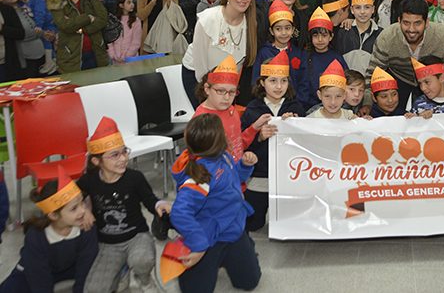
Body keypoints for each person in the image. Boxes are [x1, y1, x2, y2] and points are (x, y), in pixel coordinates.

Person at [170, 114, 261, 293]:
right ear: (217, 141)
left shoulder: (223, 156)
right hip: (209, 238)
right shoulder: (200, 176)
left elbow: (233, 180)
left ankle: (231, 256)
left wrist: (244, 166)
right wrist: (198, 244)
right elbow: (180, 213)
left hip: (233, 230)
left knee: (250, 282)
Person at [79, 117, 171, 292]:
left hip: (137, 236)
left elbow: (149, 199)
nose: (123, 159)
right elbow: (74, 197)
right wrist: (85, 209)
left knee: (142, 260)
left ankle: (144, 279)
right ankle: (123, 270)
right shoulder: (89, 181)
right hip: (107, 243)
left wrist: (159, 204)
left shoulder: (134, 178)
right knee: (94, 290)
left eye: (124, 152)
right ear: (96, 161)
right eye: (115, 155)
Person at [0, 171, 97, 293]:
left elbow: (85, 270)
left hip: (69, 269)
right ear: (53, 215)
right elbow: (39, 279)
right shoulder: (36, 237)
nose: (83, 211)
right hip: (32, 269)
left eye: (82, 203)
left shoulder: (87, 228)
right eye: (74, 208)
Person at [241, 51, 305, 230]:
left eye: (283, 80)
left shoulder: (295, 107)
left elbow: (305, 144)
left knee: (290, 224)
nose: (279, 86)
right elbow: (242, 145)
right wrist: (260, 136)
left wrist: (295, 125)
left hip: (289, 177)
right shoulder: (252, 110)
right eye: (273, 81)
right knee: (253, 224)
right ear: (262, 82)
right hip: (260, 176)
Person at [366, 0, 444, 109]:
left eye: (417, 23)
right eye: (406, 23)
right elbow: (372, 74)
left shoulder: (442, 36)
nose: (411, 29)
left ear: (427, 22)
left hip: (431, 84)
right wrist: (367, 104)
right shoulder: (386, 38)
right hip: (399, 81)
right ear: (399, 21)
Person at [181, 0, 258, 108]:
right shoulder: (209, 19)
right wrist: (210, 92)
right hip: (197, 76)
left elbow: (238, 65)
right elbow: (201, 65)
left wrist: (230, 92)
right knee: (209, 122)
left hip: (225, 81)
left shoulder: (251, 24)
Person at [192, 55, 269, 161]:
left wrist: (254, 128)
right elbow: (199, 160)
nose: (227, 98)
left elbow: (238, 145)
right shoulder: (202, 120)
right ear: (207, 89)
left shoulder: (232, 110)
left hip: (234, 172)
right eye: (220, 91)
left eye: (232, 92)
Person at [46, 0, 109, 73]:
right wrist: (88, 17)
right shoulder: (55, 2)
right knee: (76, 87)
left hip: (96, 51)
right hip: (70, 54)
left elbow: (103, 19)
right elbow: (65, 26)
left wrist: (81, 29)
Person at [251, 0, 306, 93]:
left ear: (293, 30)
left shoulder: (298, 53)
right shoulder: (264, 53)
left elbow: (304, 83)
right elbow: (256, 82)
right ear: (272, 31)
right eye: (278, 29)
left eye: (287, 28)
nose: (283, 33)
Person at [298, 7, 348, 110]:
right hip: (309, 108)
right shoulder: (305, 57)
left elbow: (346, 83)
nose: (320, 40)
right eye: (316, 36)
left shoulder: (337, 58)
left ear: (331, 37)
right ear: (310, 37)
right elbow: (302, 85)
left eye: (324, 35)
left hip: (334, 106)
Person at [333, 0, 381, 76]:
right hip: (347, 84)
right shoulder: (343, 31)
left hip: (370, 86)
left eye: (367, 7)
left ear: (373, 9)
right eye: (358, 7)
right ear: (352, 10)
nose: (362, 12)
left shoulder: (381, 34)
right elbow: (337, 59)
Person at [0, 0, 45, 78]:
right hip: (23, 60)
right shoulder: (5, 13)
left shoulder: (25, 5)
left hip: (39, 53)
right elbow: (23, 33)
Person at [25, 0, 58, 74]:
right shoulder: (40, 1)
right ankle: (49, 62)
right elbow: (40, 16)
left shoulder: (50, 1)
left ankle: (51, 61)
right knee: (48, 43)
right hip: (45, 30)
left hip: (51, 29)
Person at [107, 0, 141, 64]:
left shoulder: (136, 21)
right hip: (116, 59)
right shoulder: (113, 20)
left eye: (132, 2)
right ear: (121, 5)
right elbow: (109, 40)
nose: (132, 5)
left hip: (131, 59)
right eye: (129, 2)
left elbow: (136, 42)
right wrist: (113, 55)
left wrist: (126, 57)